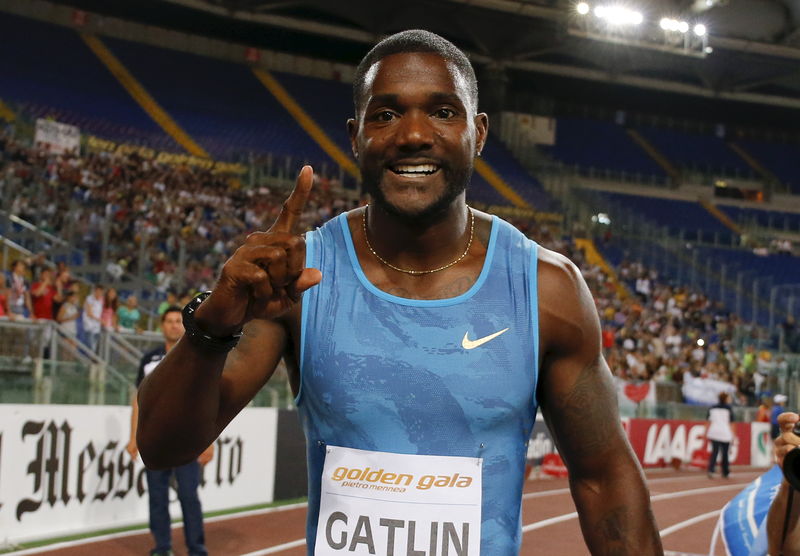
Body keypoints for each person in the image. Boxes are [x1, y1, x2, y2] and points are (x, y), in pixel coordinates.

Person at [136, 30, 662, 554]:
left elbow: (604, 477)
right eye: (385, 114)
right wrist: (213, 325)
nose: (412, 134)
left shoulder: (546, 289)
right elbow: (162, 448)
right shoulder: (297, 281)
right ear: (354, 135)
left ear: (478, 133)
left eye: (442, 111)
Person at [127, 306, 213, 556]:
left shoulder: (198, 356)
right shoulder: (149, 359)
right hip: (155, 440)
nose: (174, 325)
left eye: (178, 321)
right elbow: (138, 399)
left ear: (184, 325)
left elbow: (208, 399)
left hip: (187, 441)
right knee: (157, 496)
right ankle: (162, 547)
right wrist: (133, 436)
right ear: (162, 326)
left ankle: (197, 549)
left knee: (188, 495)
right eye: (169, 321)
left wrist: (209, 441)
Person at [706, 391, 734, 478]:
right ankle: (725, 472)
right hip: (725, 433)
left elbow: (708, 421)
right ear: (726, 399)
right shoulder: (728, 409)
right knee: (725, 453)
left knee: (714, 452)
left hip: (714, 432)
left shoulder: (712, 408)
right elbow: (732, 423)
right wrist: (733, 435)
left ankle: (711, 470)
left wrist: (705, 432)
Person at [82, 284, 104, 351]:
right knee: (91, 347)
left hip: (97, 327)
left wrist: (100, 321)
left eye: (101, 292)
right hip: (89, 326)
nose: (99, 293)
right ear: (94, 291)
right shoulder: (89, 298)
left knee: (94, 346)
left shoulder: (101, 300)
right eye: (98, 291)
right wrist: (100, 320)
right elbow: (89, 313)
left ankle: (90, 360)